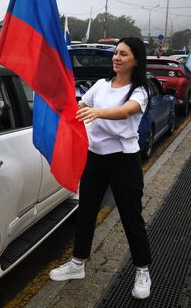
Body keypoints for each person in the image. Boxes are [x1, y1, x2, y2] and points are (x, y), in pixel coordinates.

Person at [49, 37, 152, 299]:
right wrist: (62, 103)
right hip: (95, 158)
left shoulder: (139, 91)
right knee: (85, 212)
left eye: (123, 54)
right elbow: (81, 106)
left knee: (131, 217)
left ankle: (142, 270)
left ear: (136, 60)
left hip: (124, 160)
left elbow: (127, 112)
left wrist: (98, 112)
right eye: (116, 53)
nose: (116, 58)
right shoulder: (101, 85)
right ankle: (77, 263)